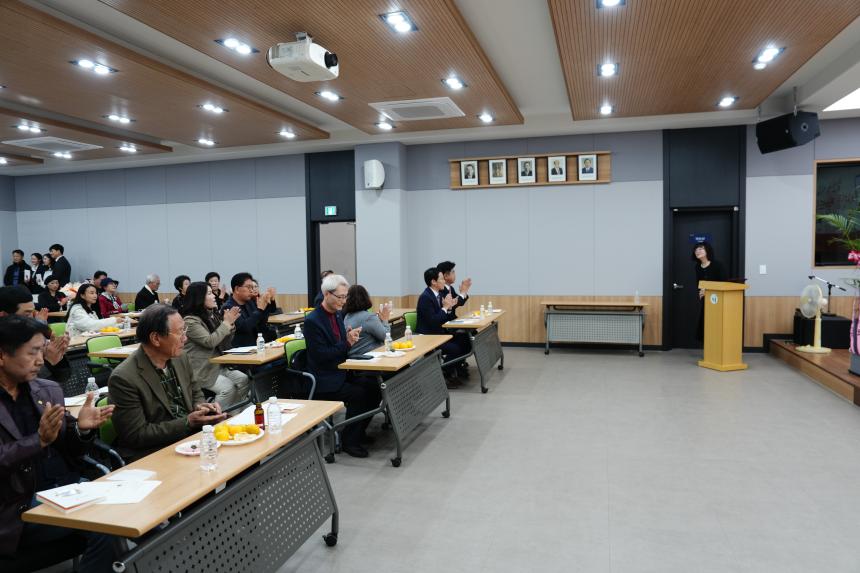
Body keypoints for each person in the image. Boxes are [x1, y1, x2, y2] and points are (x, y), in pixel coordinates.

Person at [0, 315, 117, 570]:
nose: (41, 361)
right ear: (2, 355)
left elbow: (71, 449)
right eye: (32, 352)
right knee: (106, 524)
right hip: (14, 505)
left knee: (125, 509)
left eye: (42, 351)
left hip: (64, 488)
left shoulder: (47, 390)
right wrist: (38, 441)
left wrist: (81, 429)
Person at [109, 304, 228, 462]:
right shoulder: (124, 377)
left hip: (191, 439)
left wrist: (201, 407)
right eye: (180, 333)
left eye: (185, 331)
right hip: (154, 452)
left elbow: (195, 391)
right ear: (155, 338)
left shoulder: (180, 357)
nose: (185, 338)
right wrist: (187, 422)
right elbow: (136, 435)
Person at [304, 274, 380, 458]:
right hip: (324, 378)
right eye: (340, 297)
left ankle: (357, 432)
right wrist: (347, 343)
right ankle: (349, 441)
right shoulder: (313, 321)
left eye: (346, 296)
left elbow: (339, 346)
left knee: (375, 387)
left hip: (340, 371)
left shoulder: (338, 314)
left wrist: (349, 339)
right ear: (326, 294)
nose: (344, 301)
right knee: (359, 394)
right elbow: (322, 356)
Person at [180, 282, 249, 409]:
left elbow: (224, 342)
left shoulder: (211, 315)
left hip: (218, 366)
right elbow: (209, 341)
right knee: (228, 388)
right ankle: (216, 416)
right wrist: (226, 324)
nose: (214, 296)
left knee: (243, 379)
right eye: (209, 294)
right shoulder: (190, 321)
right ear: (199, 298)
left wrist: (230, 325)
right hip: (202, 370)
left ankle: (235, 413)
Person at [0, 286, 70, 382]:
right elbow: (28, 386)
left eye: (33, 312)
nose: (34, 318)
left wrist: (58, 354)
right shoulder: (5, 347)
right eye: (27, 314)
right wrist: (48, 362)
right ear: (3, 315)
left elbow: (63, 378)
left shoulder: (33, 338)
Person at [416, 267, 470, 387]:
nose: (444, 281)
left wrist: (449, 308)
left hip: (439, 332)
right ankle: (445, 372)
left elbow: (444, 316)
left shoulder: (439, 294)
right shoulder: (425, 297)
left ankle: (455, 368)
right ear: (433, 282)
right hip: (429, 337)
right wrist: (445, 308)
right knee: (455, 348)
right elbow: (433, 321)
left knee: (466, 339)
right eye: (441, 279)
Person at [437, 261, 473, 378]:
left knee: (471, 336)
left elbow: (457, 302)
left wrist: (463, 292)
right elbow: (454, 303)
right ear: (445, 276)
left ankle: (457, 365)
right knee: (466, 339)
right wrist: (463, 292)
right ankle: (448, 369)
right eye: (453, 272)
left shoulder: (449, 288)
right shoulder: (441, 290)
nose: (455, 274)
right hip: (444, 328)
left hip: (451, 324)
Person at [223, 272, 277, 347]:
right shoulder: (229, 307)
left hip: (257, 345)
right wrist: (260, 310)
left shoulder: (250, 302)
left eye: (252, 287)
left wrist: (268, 301)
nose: (251, 290)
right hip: (241, 349)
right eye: (248, 287)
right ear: (237, 289)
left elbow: (261, 323)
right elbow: (244, 327)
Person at [343, 285, 391, 357]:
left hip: (353, 357)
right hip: (369, 358)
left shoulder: (347, 316)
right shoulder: (369, 318)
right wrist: (385, 319)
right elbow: (386, 337)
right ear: (365, 298)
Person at [693, 241, 725, 342]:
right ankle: (708, 346)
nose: (697, 251)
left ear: (707, 250)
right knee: (705, 322)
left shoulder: (718, 265)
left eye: (700, 248)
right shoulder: (697, 267)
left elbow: (723, 283)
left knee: (717, 323)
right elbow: (699, 283)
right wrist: (701, 291)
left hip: (719, 299)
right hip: (706, 300)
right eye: (696, 249)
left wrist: (708, 290)